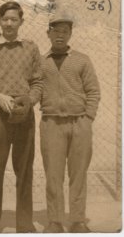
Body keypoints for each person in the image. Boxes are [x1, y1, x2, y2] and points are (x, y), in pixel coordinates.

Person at [0, 1, 43, 233]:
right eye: (6, 19)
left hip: (24, 114)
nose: (10, 23)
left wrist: (29, 100)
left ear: (21, 22)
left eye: (14, 19)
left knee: (24, 170)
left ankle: (24, 224)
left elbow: (37, 82)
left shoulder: (31, 48)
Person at [40, 14, 101, 233]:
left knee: (78, 173)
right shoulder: (41, 61)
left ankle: (77, 220)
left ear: (70, 34)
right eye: (55, 31)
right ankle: (55, 220)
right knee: (53, 175)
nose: (60, 35)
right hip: (51, 124)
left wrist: (88, 117)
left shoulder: (82, 59)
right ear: (48, 33)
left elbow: (93, 90)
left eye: (64, 31)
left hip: (79, 123)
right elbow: (35, 89)